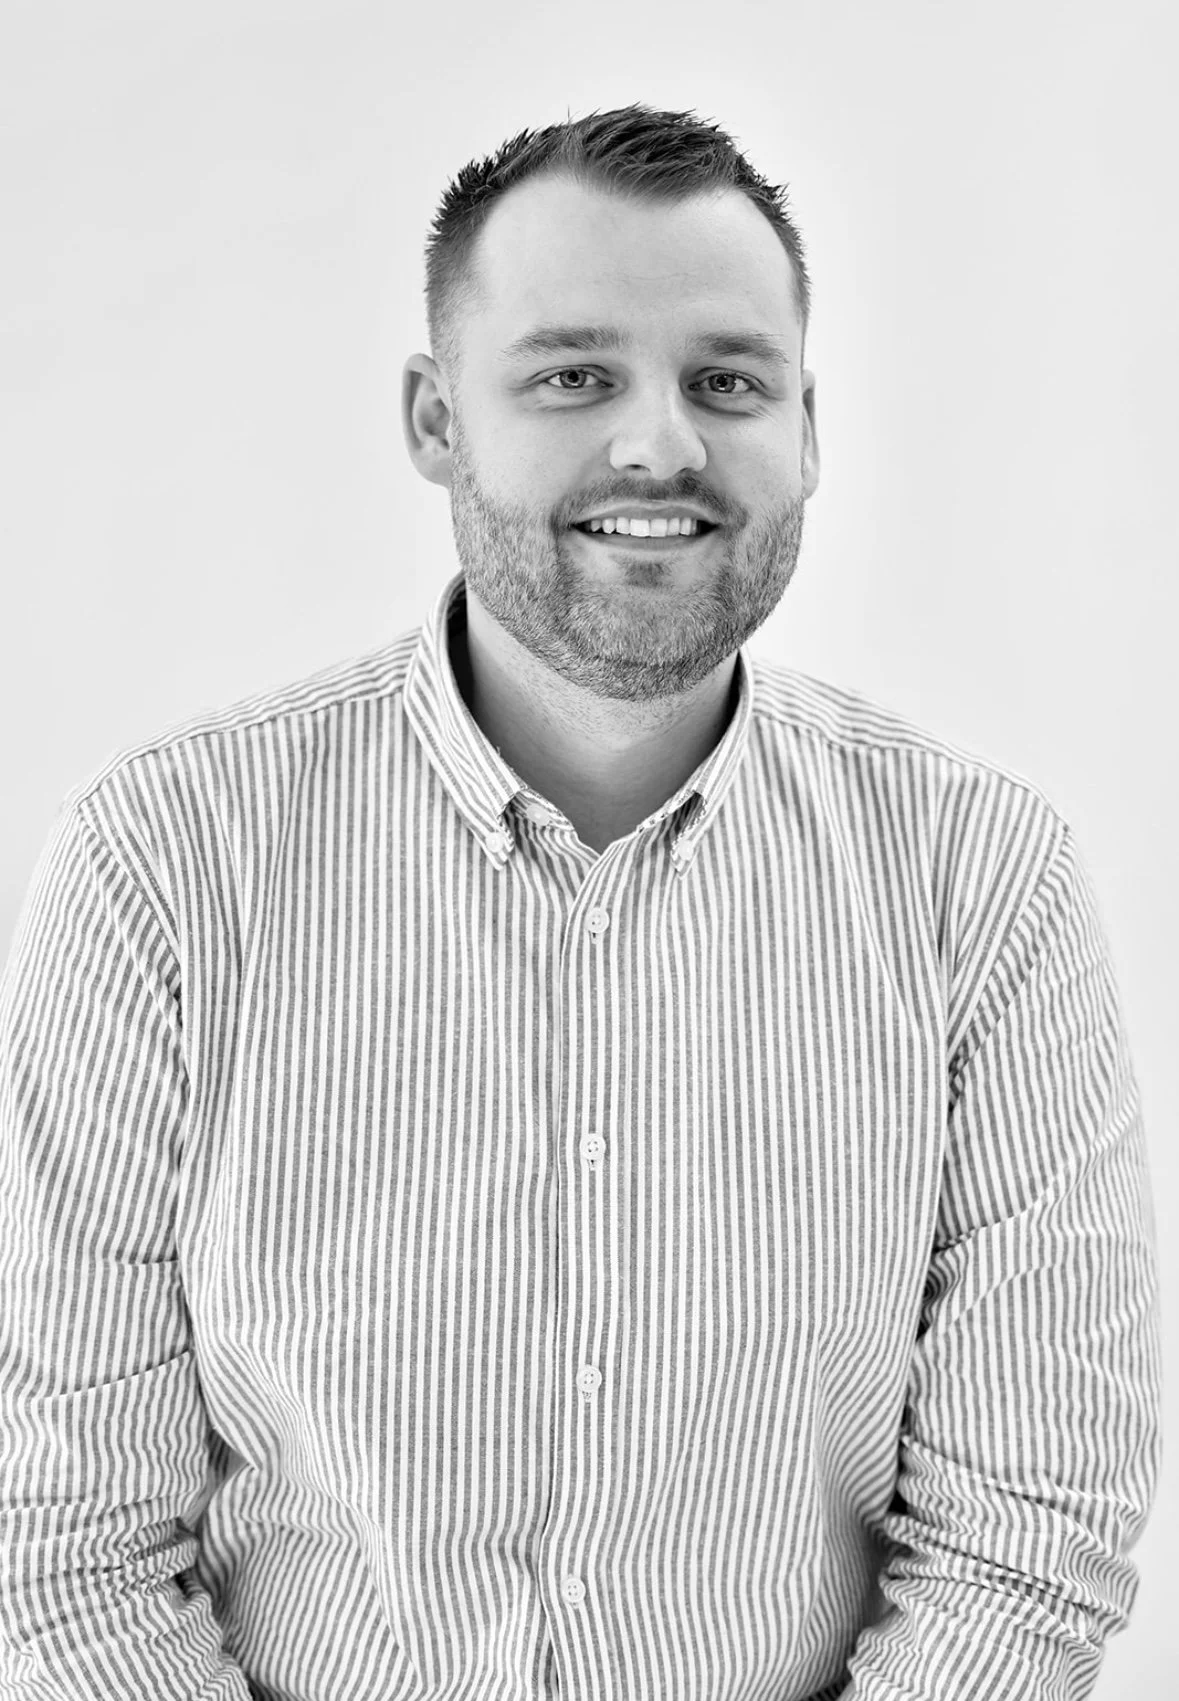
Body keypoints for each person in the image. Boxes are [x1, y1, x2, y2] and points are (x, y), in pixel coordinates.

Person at [0, 102, 1161, 1701]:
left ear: (808, 429)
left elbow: (1027, 1540)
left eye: (727, 381)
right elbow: (60, 1537)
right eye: (570, 376)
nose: (658, 445)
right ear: (435, 419)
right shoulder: (164, 864)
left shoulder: (984, 881)